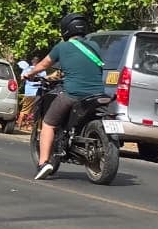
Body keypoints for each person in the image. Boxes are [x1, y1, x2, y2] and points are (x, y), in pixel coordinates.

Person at [25, 13, 104, 180]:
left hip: (73, 93)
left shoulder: (62, 47)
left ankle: (43, 163)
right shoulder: (95, 46)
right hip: (98, 94)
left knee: (48, 123)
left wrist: (30, 73)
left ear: (66, 30)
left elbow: (45, 64)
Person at [16, 56, 41, 129]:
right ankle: (29, 126)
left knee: (24, 110)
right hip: (38, 94)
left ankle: (19, 126)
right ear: (38, 62)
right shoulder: (42, 70)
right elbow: (45, 80)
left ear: (32, 61)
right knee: (35, 111)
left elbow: (22, 78)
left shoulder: (27, 69)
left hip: (29, 93)